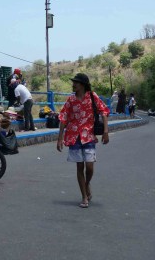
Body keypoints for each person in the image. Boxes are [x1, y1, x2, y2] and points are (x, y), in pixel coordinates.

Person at [56, 73, 109, 208]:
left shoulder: (92, 96)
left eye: (76, 83)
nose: (73, 85)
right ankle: (84, 196)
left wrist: (105, 132)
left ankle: (86, 184)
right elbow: (63, 118)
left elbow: (104, 112)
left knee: (90, 167)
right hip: (74, 137)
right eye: (73, 82)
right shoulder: (71, 100)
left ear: (83, 85)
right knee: (80, 167)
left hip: (89, 136)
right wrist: (60, 137)